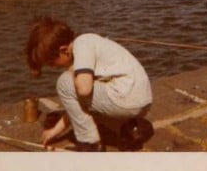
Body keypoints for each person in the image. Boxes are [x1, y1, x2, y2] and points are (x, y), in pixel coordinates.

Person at [26, 16, 153, 151]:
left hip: (126, 98)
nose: (53, 67)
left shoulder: (82, 45)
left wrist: (73, 72)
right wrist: (54, 132)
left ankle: (90, 143)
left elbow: (84, 91)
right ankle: (130, 128)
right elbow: (79, 105)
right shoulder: (88, 42)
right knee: (84, 105)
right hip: (141, 100)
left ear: (64, 50)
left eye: (52, 63)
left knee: (64, 83)